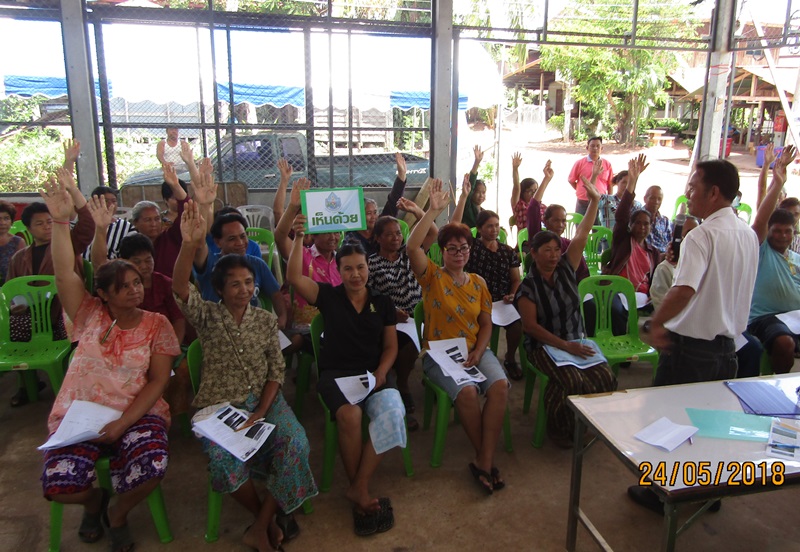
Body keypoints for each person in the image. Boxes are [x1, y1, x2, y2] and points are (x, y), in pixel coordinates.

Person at [39, 172, 179, 552]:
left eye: (136, 283)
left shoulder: (156, 324)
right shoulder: (89, 315)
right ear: (102, 294)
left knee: (153, 466)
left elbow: (158, 381)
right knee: (59, 486)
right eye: (123, 286)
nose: (135, 290)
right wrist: (60, 222)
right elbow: (64, 273)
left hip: (136, 413)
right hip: (81, 414)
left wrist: (122, 423)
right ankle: (94, 502)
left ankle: (117, 512)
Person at [174, 200, 317, 552]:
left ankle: (261, 526)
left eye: (249, 282)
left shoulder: (265, 321)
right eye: (235, 284)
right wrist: (188, 244)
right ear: (220, 289)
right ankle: (266, 517)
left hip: (265, 401)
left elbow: (276, 371)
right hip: (221, 406)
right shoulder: (208, 316)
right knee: (223, 461)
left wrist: (262, 410)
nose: (244, 289)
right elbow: (180, 288)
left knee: (296, 443)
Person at [633, 157, 761, 515]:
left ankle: (661, 494)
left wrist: (655, 323)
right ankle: (708, 492)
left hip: (690, 351)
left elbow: (684, 289)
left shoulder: (701, 236)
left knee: (665, 420)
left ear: (714, 192)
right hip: (727, 350)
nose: (687, 193)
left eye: (692, 186)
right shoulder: (748, 235)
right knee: (710, 425)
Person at [287, 216, 403, 537]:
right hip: (336, 375)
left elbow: (391, 346)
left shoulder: (382, 302)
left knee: (393, 412)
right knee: (350, 415)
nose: (355, 274)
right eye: (348, 268)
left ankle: (357, 487)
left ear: (368, 267)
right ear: (339, 270)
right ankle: (359, 488)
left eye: (361, 267)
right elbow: (294, 277)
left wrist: (381, 372)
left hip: (373, 375)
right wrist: (298, 238)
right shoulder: (328, 296)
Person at [407, 179, 509, 495]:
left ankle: (483, 460)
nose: (458, 253)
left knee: (500, 387)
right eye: (451, 248)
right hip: (439, 355)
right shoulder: (432, 277)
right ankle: (486, 459)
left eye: (464, 248)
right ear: (442, 251)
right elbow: (412, 248)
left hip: (474, 349)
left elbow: (486, 323)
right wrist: (432, 211)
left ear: (470, 250)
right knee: (466, 393)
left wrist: (479, 351)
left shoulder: (478, 283)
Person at [515, 176, 616, 448]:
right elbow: (531, 328)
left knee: (605, 377)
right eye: (546, 251)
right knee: (572, 380)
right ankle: (560, 429)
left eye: (556, 250)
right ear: (533, 253)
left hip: (576, 340)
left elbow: (582, 233)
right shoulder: (528, 288)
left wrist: (594, 200)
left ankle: (588, 423)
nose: (553, 255)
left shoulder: (566, 267)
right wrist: (566, 346)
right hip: (543, 346)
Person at [7, 168, 95, 407]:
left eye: (49, 221)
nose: (46, 227)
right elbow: (11, 292)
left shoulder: (68, 244)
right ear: (28, 228)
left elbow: (87, 225)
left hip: (62, 313)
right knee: (13, 331)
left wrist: (73, 190)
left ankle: (74, 381)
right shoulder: (19, 258)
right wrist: (15, 306)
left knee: (69, 332)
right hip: (30, 316)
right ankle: (27, 384)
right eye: (39, 223)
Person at [367, 202, 437, 431]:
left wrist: (417, 211)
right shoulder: (371, 263)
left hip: (419, 315)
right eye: (389, 234)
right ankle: (403, 384)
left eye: (398, 233)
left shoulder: (409, 254)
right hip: (391, 321)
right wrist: (390, 313)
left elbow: (433, 233)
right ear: (378, 238)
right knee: (406, 345)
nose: (396, 238)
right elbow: (368, 298)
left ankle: (437, 380)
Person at [746, 146, 800, 374]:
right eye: (777, 231)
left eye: (788, 231)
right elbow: (761, 214)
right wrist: (776, 181)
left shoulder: (796, 258)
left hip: (795, 318)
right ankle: (779, 384)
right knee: (784, 343)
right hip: (765, 319)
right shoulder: (762, 249)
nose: (782, 236)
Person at [275, 179, 342, 352]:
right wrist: (292, 207)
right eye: (326, 233)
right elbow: (280, 237)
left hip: (337, 324)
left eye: (336, 232)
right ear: (313, 235)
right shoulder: (302, 255)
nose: (333, 237)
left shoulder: (343, 261)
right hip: (306, 326)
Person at [462, 209, 523, 380]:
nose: (494, 230)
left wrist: (512, 295)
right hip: (476, 300)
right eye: (489, 226)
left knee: (517, 326)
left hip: (501, 301)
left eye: (496, 225)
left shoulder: (507, 252)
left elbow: (516, 280)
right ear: (479, 228)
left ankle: (510, 359)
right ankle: (477, 359)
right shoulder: (472, 249)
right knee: (479, 327)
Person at [603, 155, 660, 296]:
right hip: (618, 292)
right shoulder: (623, 240)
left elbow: (654, 279)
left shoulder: (653, 252)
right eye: (638, 223)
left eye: (646, 224)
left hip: (643, 295)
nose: (642, 227)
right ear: (631, 225)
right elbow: (621, 215)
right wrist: (632, 182)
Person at [526, 163, 590, 282]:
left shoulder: (569, 245)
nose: (560, 225)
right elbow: (532, 209)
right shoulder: (539, 239)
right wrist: (546, 179)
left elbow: (583, 275)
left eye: (563, 221)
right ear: (545, 221)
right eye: (556, 220)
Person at [343, 152, 409, 255]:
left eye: (375, 212)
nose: (373, 217)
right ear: (359, 215)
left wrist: (402, 175)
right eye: (368, 213)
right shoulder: (351, 237)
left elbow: (393, 202)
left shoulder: (381, 226)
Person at [129, 163, 189, 278]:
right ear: (135, 223)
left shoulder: (172, 237)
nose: (153, 224)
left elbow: (186, 210)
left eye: (157, 219)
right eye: (147, 220)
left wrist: (175, 185)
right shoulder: (130, 246)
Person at [81, 186, 137, 261]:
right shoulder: (84, 225)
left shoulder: (126, 227)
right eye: (106, 201)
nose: (110, 204)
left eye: (114, 201)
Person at [567, 136, 613, 218]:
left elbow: (610, 184)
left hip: (601, 201)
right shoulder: (579, 163)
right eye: (592, 146)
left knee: (599, 225)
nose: (595, 148)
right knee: (581, 224)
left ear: (602, 148)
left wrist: (609, 200)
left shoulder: (607, 164)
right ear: (587, 148)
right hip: (583, 201)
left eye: (598, 146)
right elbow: (571, 180)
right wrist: (581, 190)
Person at [510, 153, 552, 235]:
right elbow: (516, 187)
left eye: (536, 191)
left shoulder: (542, 206)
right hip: (527, 239)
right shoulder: (518, 205)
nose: (533, 194)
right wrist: (515, 169)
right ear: (522, 192)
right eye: (530, 191)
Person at [0, 200, 26, 284]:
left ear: (11, 221)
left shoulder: (18, 242)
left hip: (11, 287)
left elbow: (22, 273)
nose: (2, 223)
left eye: (6, 218)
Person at [462, 145, 488, 228]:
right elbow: (470, 182)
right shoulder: (467, 207)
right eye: (478, 192)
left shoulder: (484, 213)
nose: (481, 195)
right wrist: (477, 162)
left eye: (483, 192)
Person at [642, 185, 671, 255]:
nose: (656, 202)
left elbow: (670, 243)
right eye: (652, 198)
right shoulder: (638, 218)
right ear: (645, 199)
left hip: (665, 257)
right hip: (646, 256)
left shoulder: (665, 221)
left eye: (659, 199)